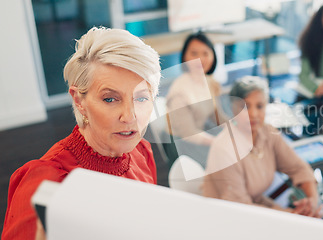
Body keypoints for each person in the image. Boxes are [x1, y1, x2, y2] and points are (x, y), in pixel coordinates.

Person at [1, 27, 161, 240]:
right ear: (79, 101)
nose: (130, 117)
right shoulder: (46, 182)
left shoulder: (142, 152)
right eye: (110, 99)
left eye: (141, 98)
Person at [203, 76, 322, 218]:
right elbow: (239, 208)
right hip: (226, 217)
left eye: (259, 106)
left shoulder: (267, 132)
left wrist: (312, 201)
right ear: (233, 107)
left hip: (256, 205)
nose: (253, 114)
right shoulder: (224, 149)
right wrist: (294, 215)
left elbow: (298, 168)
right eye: (245, 107)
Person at [164, 32, 225, 166]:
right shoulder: (179, 92)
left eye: (205, 53)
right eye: (194, 53)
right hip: (182, 144)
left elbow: (217, 115)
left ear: (213, 56)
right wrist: (218, 143)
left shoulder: (210, 82)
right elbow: (188, 134)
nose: (200, 59)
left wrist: (235, 128)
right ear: (185, 56)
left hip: (201, 133)